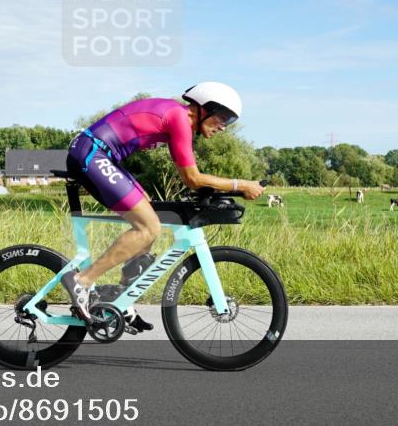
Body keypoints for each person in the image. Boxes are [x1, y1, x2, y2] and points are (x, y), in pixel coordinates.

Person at [61, 82, 265, 328]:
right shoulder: (179, 118)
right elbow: (192, 179)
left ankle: (120, 299)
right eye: (223, 118)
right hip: (92, 152)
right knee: (148, 227)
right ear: (204, 109)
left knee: (150, 211)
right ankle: (81, 280)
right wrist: (240, 184)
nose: (223, 126)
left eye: (229, 121)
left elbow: (190, 176)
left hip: (102, 155)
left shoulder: (177, 118)